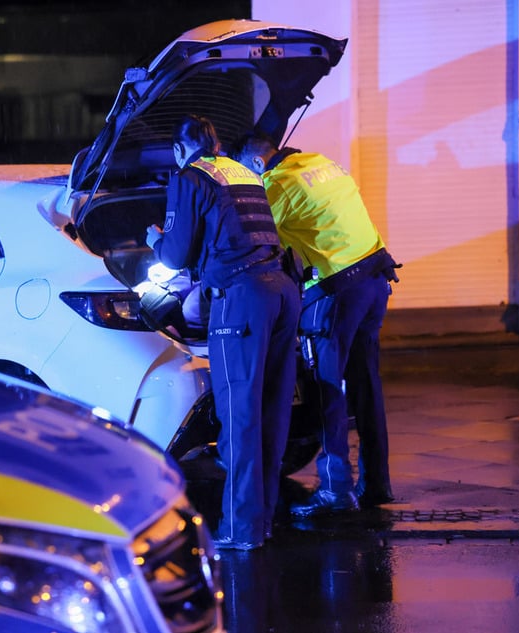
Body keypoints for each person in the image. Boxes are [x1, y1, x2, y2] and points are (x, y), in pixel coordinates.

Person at [146, 115, 301, 549]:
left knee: (239, 414)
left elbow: (176, 256)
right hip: (283, 292)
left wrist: (156, 239)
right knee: (272, 411)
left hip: (243, 297)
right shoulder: (238, 170)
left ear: (181, 149)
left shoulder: (189, 176)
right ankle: (263, 521)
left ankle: (241, 530)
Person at [231, 132, 401, 518]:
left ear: (256, 164)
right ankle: (377, 483)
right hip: (376, 280)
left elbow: (252, 240)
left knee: (327, 389)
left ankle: (335, 490)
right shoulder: (319, 162)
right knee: (366, 385)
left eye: (246, 175)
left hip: (339, 291)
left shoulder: (278, 185)